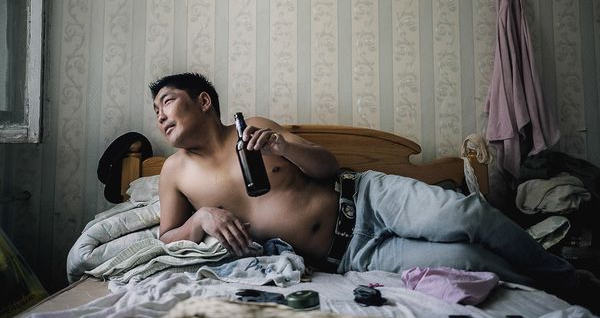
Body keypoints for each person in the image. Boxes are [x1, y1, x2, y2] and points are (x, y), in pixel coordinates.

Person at [150, 72, 599, 312]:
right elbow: (167, 237)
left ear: (203, 101)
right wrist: (200, 218)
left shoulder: (255, 128)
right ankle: (556, 288)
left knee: (468, 217)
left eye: (167, 101)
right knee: (469, 261)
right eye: (155, 110)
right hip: (352, 256)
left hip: (366, 197)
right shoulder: (174, 172)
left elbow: (326, 165)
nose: (160, 115)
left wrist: (282, 146)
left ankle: (568, 281)